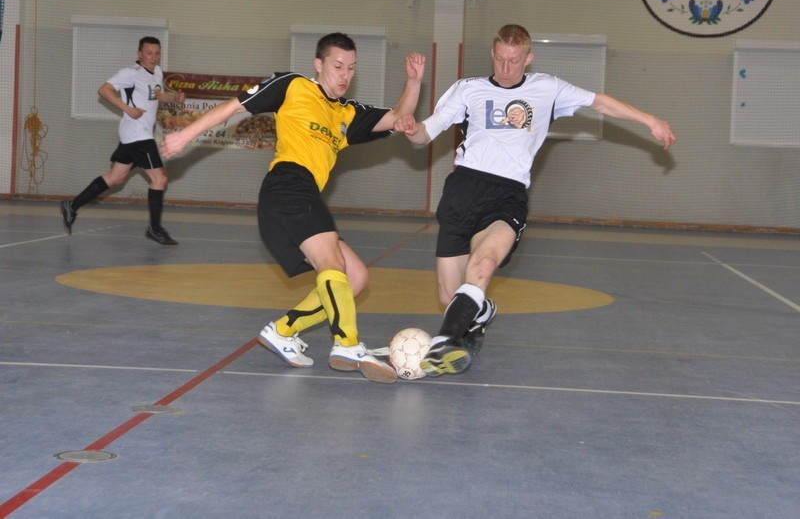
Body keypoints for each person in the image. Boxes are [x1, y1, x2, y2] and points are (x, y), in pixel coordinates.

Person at [394, 24, 676, 377]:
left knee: (482, 268)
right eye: (499, 58)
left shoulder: (548, 88)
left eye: (514, 60)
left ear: (529, 58)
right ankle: (480, 312)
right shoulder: (468, 89)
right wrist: (410, 129)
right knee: (450, 296)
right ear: (493, 54)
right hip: (462, 191)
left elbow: (598, 101)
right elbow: (425, 134)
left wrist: (648, 119)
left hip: (506, 196)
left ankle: (445, 342)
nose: (506, 67)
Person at [161, 33, 426, 383]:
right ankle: (346, 342)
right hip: (287, 185)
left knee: (357, 277)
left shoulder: (348, 113)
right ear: (318, 64)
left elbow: (397, 118)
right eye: (336, 66)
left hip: (303, 196)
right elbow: (233, 107)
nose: (344, 74)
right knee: (332, 265)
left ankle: (283, 331)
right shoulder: (293, 86)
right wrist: (184, 136)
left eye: (351, 68)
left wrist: (413, 82)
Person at [60, 36, 185, 245]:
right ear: (139, 54)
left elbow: (156, 96)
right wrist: (127, 108)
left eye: (157, 53)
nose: (153, 57)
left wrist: (173, 98)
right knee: (159, 179)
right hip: (138, 136)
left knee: (115, 178)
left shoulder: (157, 72)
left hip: (134, 135)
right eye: (149, 53)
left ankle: (71, 206)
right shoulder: (130, 73)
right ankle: (155, 229)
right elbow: (104, 90)